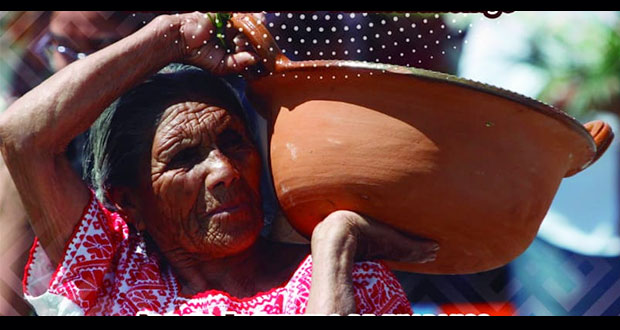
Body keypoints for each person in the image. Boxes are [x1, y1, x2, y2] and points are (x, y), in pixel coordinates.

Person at [0, 12, 438, 315]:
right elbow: (22, 135)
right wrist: (170, 38)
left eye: (234, 143)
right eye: (184, 158)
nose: (225, 171)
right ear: (127, 202)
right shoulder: (111, 270)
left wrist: (335, 244)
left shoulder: (344, 275)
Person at [0, 11, 150, 315]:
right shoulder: (34, 79)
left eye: (101, 46)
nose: (77, 69)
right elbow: (18, 138)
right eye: (62, 46)